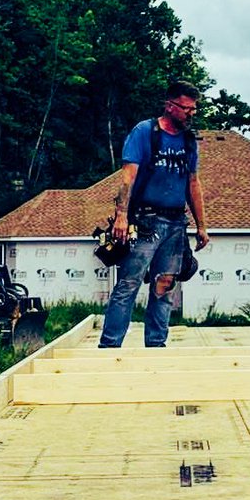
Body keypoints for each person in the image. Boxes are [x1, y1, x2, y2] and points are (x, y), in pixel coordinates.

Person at [97, 81, 210, 348]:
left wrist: (202, 226)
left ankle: (156, 347)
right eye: (186, 109)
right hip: (146, 220)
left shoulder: (189, 141)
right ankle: (109, 347)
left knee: (165, 286)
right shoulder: (145, 132)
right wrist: (122, 215)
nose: (191, 114)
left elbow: (193, 183)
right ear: (170, 106)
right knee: (129, 284)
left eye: (194, 109)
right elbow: (128, 177)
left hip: (175, 222)